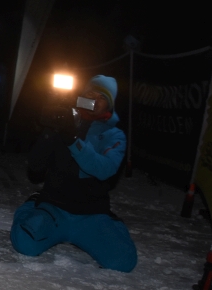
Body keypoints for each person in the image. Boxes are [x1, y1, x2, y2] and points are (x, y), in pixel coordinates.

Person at [10, 75, 137, 272]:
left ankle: (112, 226)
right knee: (25, 244)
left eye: (101, 97)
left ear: (109, 105)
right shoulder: (64, 123)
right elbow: (35, 166)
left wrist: (73, 139)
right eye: (89, 93)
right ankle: (30, 207)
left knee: (123, 262)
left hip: (91, 214)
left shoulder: (114, 135)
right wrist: (50, 130)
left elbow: (104, 170)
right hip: (54, 208)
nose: (93, 98)